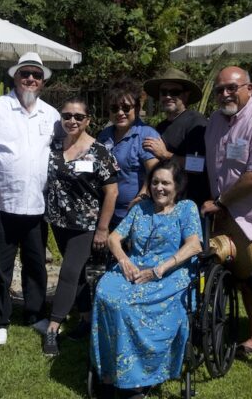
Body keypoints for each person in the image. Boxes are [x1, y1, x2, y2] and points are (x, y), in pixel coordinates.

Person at [0, 52, 61, 346]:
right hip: (0, 203)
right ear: (15, 77)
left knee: (35, 265)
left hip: (37, 206)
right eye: (25, 73)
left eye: (37, 75)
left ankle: (34, 314)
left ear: (42, 81)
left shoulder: (52, 115)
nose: (31, 79)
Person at [91, 159, 202, 398]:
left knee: (127, 305)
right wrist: (123, 260)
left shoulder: (186, 208)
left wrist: (159, 270)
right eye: (155, 182)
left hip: (171, 272)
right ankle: (111, 369)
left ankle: (138, 378)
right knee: (104, 292)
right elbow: (113, 239)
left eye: (165, 183)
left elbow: (194, 246)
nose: (159, 188)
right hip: (134, 267)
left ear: (177, 185)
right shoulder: (141, 208)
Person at [201, 66, 252, 382]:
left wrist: (221, 201)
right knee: (243, 279)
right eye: (221, 88)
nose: (225, 94)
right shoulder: (216, 122)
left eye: (232, 88)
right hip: (225, 219)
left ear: (249, 88)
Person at [40, 97, 118, 357]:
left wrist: (102, 229)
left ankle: (53, 327)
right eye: (67, 115)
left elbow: (112, 192)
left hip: (86, 225)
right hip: (60, 223)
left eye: (78, 116)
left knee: (69, 271)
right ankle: (86, 319)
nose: (71, 120)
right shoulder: (53, 146)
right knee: (82, 272)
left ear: (88, 121)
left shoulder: (99, 152)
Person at [142, 68, 209, 209]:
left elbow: (199, 165)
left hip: (190, 205)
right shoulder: (161, 126)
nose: (168, 96)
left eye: (174, 92)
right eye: (163, 92)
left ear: (186, 95)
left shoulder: (196, 123)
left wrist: (166, 155)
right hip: (165, 203)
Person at [97, 79, 159, 228]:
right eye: (114, 108)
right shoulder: (104, 135)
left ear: (136, 108)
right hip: (107, 213)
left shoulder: (145, 134)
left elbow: (154, 170)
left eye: (126, 108)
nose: (120, 113)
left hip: (136, 215)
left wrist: (142, 195)